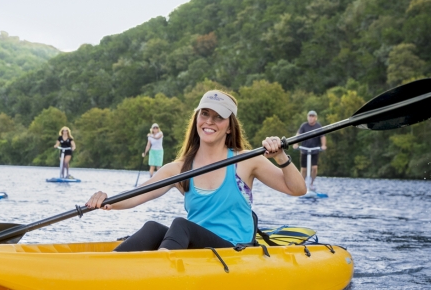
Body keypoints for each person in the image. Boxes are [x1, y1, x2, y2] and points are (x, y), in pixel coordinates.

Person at [85, 90, 306, 252]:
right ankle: (104, 270)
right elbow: (137, 195)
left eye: (218, 117)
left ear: (229, 126)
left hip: (234, 250)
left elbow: (297, 189)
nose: (209, 122)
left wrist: (280, 157)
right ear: (196, 119)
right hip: (195, 250)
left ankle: (158, 273)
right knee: (152, 228)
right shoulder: (179, 169)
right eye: (205, 114)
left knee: (181, 225)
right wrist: (107, 201)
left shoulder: (246, 161)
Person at [292, 110, 327, 191]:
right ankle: (302, 185)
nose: (311, 118)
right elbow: (298, 135)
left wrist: (323, 145)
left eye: (312, 116)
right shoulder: (304, 126)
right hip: (304, 150)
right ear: (308, 117)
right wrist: (295, 143)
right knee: (303, 169)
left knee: (314, 168)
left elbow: (323, 137)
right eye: (309, 116)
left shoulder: (318, 126)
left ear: (315, 118)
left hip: (314, 150)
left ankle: (311, 184)